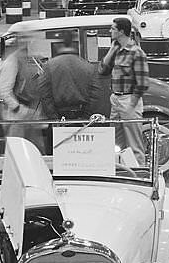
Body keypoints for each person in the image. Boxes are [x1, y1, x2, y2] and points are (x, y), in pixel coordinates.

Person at [98, 16, 149, 161]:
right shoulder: (116, 50)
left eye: (113, 28)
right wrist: (111, 50)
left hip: (128, 100)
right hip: (115, 99)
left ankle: (139, 172)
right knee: (115, 141)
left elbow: (143, 82)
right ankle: (118, 170)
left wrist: (131, 105)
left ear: (121, 31)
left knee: (134, 142)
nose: (110, 31)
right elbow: (102, 71)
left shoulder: (136, 53)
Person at [0, 25, 44, 147]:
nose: (26, 41)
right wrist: (18, 108)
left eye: (28, 38)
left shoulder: (32, 59)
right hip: (16, 117)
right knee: (18, 151)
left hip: (31, 114)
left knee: (36, 150)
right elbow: (3, 90)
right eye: (23, 38)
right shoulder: (12, 61)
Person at [37, 31, 100, 121]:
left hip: (58, 113)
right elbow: (95, 95)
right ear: (78, 46)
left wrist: (54, 118)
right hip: (82, 114)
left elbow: (44, 94)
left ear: (59, 46)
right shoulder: (89, 67)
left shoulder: (49, 66)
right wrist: (85, 118)